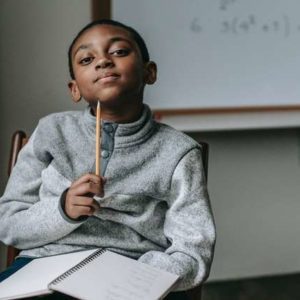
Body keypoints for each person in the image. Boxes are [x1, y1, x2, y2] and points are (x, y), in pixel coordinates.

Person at [0, 19, 216, 299]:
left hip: (135, 275)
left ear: (149, 72)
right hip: (44, 270)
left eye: (119, 52)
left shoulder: (178, 152)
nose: (102, 62)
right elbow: (8, 224)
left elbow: (193, 251)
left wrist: (142, 277)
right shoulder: (51, 132)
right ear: (74, 88)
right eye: (87, 59)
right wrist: (62, 209)